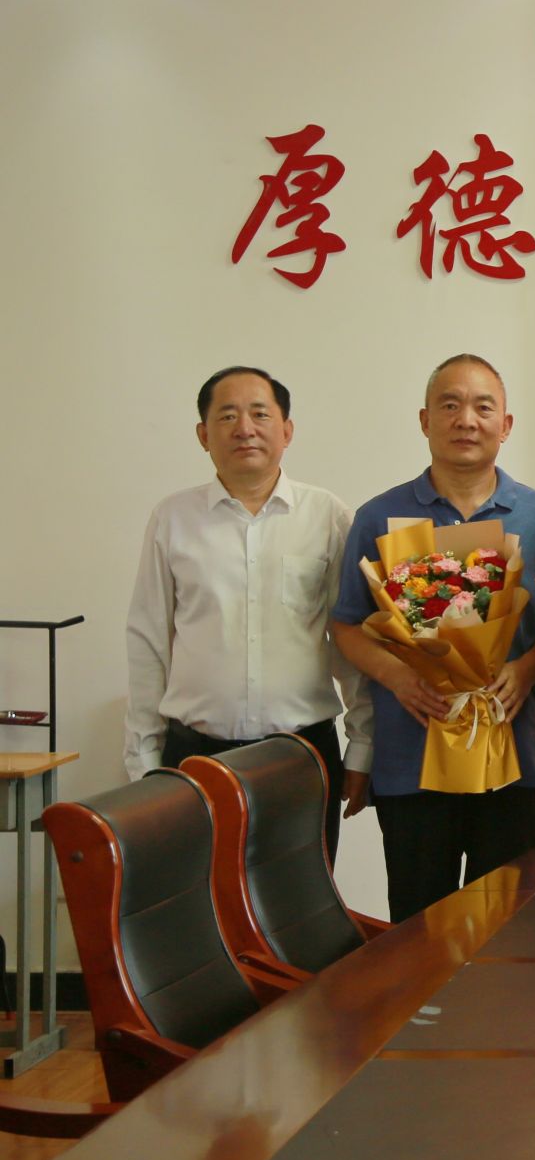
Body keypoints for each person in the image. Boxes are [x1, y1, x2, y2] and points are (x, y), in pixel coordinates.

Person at [331, 355, 535, 922]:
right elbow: (345, 625)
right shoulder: (380, 517)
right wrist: (397, 676)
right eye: (450, 405)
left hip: (512, 756)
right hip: (412, 758)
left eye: (483, 407)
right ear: (425, 420)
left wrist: (528, 667)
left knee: (507, 928)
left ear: (506, 425)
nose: (467, 420)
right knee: (420, 928)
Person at [124, 365, 371, 865]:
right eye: (227, 416)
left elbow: (351, 640)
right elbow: (148, 639)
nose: (244, 429)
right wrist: (144, 760)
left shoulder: (328, 516)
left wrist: (363, 745)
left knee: (301, 902)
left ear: (287, 430)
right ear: (203, 435)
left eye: (260, 414)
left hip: (302, 755)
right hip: (194, 757)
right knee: (200, 900)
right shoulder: (173, 518)